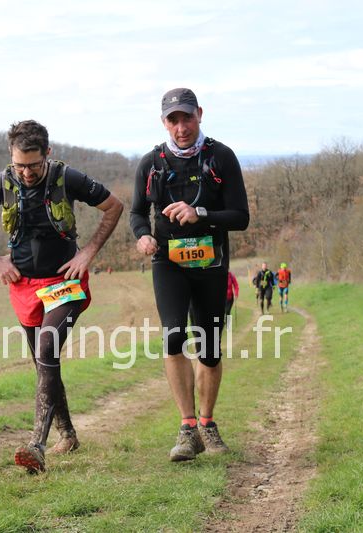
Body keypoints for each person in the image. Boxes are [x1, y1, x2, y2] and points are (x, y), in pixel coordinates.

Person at [0, 120, 123, 473]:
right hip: (24, 285)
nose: (26, 172)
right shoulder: (1, 183)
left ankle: (37, 444)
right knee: (43, 361)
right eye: (20, 165)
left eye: (33, 165)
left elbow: (113, 206)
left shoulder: (69, 178)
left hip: (64, 282)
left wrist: (88, 253)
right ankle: (68, 434)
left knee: (47, 349)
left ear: (47, 153)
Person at [130, 88, 249, 461]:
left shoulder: (221, 157)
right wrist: (143, 236)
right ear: (163, 122)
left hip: (211, 264)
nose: (181, 127)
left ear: (200, 114)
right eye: (173, 120)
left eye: (187, 118)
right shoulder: (151, 163)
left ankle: (207, 423)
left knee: (209, 349)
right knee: (173, 337)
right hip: (168, 263)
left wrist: (201, 214)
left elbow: (241, 217)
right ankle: (187, 429)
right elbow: (137, 212)